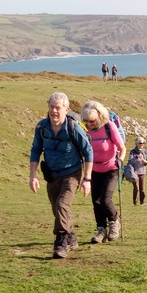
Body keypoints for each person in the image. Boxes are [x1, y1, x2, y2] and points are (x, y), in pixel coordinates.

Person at [29, 92, 94, 258]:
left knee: (62, 205)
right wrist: (33, 176)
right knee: (57, 209)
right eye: (52, 107)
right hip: (51, 175)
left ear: (67, 109)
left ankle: (61, 241)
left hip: (72, 173)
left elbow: (88, 152)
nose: (54, 111)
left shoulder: (74, 128)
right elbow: (36, 150)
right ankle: (71, 237)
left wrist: (87, 179)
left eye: (58, 108)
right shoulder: (42, 127)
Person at [80, 101, 125, 243]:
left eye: (92, 121)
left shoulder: (109, 127)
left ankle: (114, 223)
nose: (89, 124)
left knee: (105, 199)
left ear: (100, 117)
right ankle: (101, 231)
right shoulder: (85, 130)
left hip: (111, 168)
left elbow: (122, 148)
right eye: (86, 121)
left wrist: (120, 160)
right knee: (96, 201)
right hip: (94, 169)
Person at [128, 137, 147, 205]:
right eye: (140, 143)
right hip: (134, 172)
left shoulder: (145, 152)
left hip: (142, 172)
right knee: (136, 188)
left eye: (143, 143)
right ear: (136, 143)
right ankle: (135, 202)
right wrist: (136, 157)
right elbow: (130, 161)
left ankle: (142, 202)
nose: (142, 144)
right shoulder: (132, 152)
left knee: (142, 188)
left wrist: (145, 162)